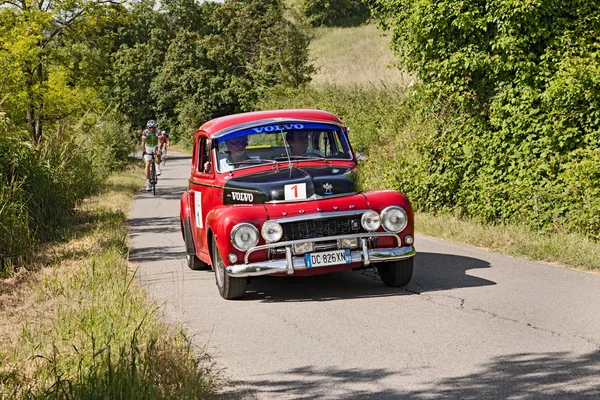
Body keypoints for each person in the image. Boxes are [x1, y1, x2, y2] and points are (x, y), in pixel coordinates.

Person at [141, 120, 162, 191]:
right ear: (148, 128)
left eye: (153, 127)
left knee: (158, 153)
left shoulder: (158, 132)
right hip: (148, 147)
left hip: (155, 146)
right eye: (150, 127)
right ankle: (148, 183)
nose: (152, 129)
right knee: (147, 164)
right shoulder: (145, 132)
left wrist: (159, 149)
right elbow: (143, 143)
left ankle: (157, 167)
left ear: (155, 127)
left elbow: (160, 142)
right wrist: (144, 151)